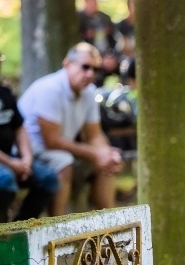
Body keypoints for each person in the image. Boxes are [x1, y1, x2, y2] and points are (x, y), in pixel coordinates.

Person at [18, 43, 123, 216]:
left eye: (95, 69)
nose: (90, 74)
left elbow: (94, 134)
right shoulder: (50, 89)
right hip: (29, 149)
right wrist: (95, 153)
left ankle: (109, 220)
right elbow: (51, 140)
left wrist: (106, 154)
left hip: (57, 146)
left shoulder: (89, 92)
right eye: (85, 67)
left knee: (106, 161)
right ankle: (58, 226)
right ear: (67, 64)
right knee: (64, 161)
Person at [0, 83, 59, 222]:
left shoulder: (5, 92)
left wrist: (26, 159)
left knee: (48, 178)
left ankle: (20, 228)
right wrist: (12, 164)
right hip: (6, 163)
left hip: (10, 158)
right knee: (6, 179)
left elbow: (20, 129)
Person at [77, 0, 119, 86]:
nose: (94, 2)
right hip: (90, 59)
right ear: (85, 0)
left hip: (109, 56)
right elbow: (80, 44)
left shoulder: (105, 18)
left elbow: (116, 39)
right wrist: (99, 59)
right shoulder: (79, 19)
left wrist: (112, 55)